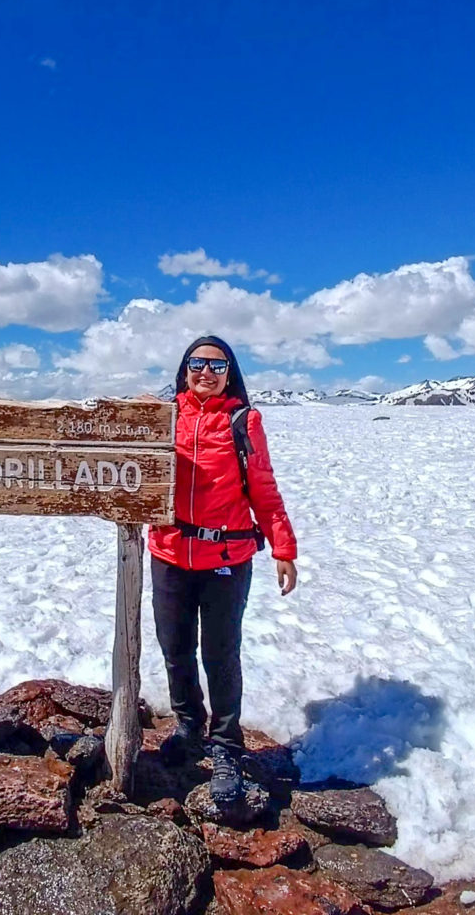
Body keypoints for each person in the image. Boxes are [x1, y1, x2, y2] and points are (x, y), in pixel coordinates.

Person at [148, 335, 297, 802]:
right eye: (197, 363)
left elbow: (264, 490)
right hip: (169, 552)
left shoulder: (243, 422)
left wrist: (283, 547)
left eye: (216, 365)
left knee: (219, 652)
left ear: (230, 373)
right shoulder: (165, 416)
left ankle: (227, 745)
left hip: (225, 560)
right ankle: (189, 725)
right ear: (184, 368)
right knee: (174, 647)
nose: (205, 372)